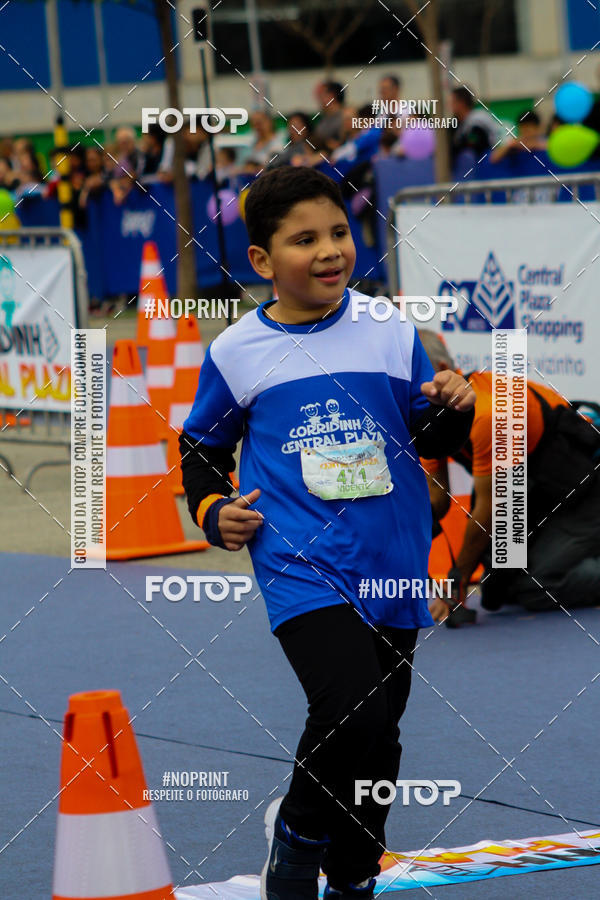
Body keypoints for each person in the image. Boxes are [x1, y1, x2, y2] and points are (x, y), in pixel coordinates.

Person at [179, 167, 475, 899]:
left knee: (382, 734)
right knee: (351, 709)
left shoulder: (389, 329)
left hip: (393, 557)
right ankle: (296, 843)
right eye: (304, 239)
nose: (329, 251)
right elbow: (202, 448)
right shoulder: (238, 350)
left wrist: (451, 405)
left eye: (339, 232)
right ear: (261, 260)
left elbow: (426, 432)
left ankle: (352, 874)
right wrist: (212, 509)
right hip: (300, 561)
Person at [418, 331, 600, 621]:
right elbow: (437, 499)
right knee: (500, 590)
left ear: (441, 370)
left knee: (536, 587)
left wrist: (455, 584)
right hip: (536, 495)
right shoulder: (429, 416)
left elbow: (491, 510)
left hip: (586, 494)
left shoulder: (488, 413)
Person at [450, 86, 502, 161]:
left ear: (461, 103)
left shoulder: (477, 119)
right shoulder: (458, 122)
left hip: (487, 159)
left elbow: (474, 143)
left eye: (452, 102)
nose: (449, 105)